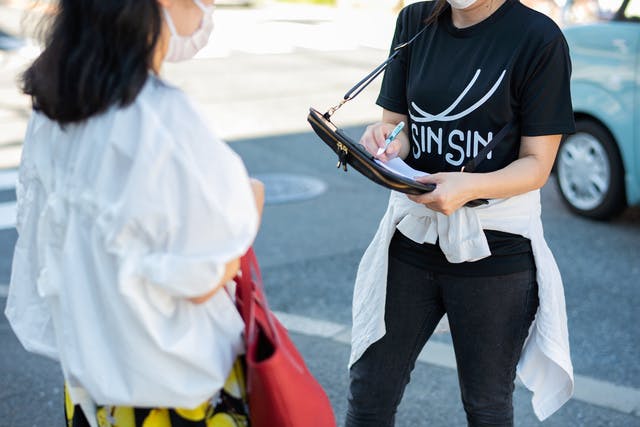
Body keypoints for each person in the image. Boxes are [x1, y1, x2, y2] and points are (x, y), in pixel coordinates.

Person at [5, 1, 264, 426]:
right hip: (174, 392)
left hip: (92, 392)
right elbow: (202, 276)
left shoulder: (53, 104)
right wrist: (252, 200)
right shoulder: (161, 116)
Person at [346, 0, 575, 426]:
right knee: (369, 394)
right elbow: (398, 126)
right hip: (414, 236)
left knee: (486, 405)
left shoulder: (539, 38)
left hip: (495, 247)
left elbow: (537, 165)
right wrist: (388, 140)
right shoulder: (415, 21)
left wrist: (468, 187)